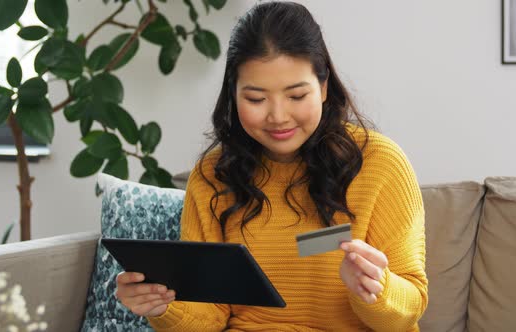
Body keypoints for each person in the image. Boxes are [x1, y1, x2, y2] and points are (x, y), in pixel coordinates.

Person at [115, 1, 428, 331]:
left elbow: (410, 308)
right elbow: (210, 315)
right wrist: (163, 306)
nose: (278, 116)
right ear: (233, 95)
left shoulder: (379, 164)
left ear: (323, 87)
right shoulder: (212, 175)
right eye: (256, 99)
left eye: (296, 96)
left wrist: (376, 289)